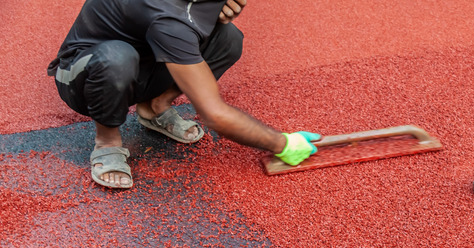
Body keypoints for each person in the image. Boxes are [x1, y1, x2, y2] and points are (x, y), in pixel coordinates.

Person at [48, 0, 319, 189]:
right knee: (116, 58)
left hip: (145, 57)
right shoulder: (167, 17)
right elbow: (215, 115)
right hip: (82, 72)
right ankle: (107, 142)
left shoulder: (172, 17)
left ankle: (154, 108)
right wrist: (282, 144)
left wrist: (212, 10)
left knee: (227, 38)